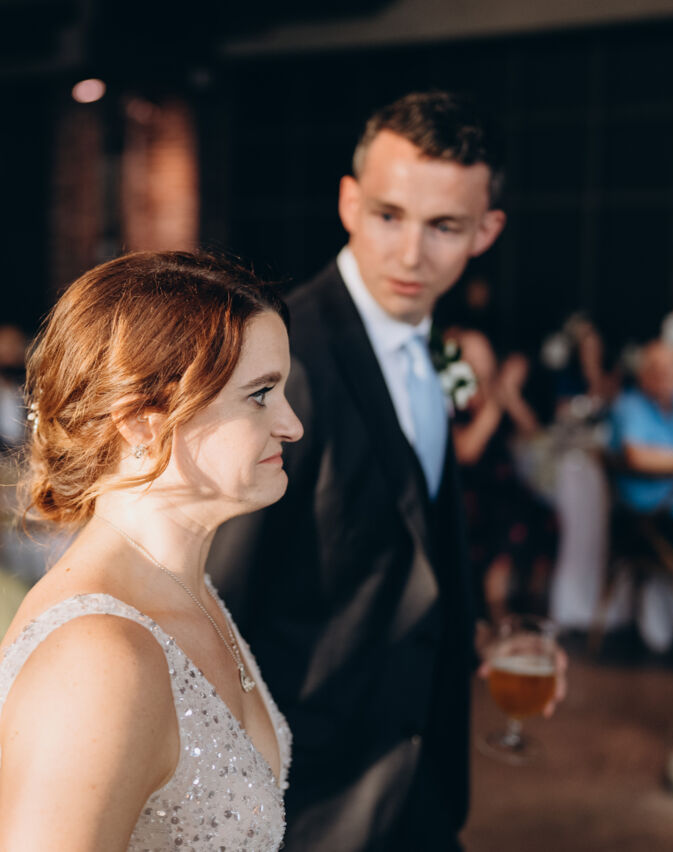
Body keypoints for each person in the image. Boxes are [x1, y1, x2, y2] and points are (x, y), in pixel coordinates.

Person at [209, 92, 560, 851]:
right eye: (389, 215)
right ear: (348, 202)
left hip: (422, 783)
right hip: (311, 802)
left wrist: (478, 639)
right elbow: (218, 600)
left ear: (486, 232)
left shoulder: (434, 350)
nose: (410, 255)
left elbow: (408, 550)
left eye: (444, 227)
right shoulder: (285, 360)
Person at [0, 251, 302, 851]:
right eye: (260, 395)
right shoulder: (96, 659)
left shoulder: (186, 588)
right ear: (143, 421)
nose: (292, 424)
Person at [449, 329, 557, 623]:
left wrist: (510, 395)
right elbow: (467, 451)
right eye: (470, 355)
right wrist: (496, 401)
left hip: (505, 482)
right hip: (470, 484)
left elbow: (533, 433)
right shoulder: (454, 395)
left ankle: (532, 606)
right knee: (505, 518)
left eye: (482, 355)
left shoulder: (496, 393)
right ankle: (496, 610)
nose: (477, 362)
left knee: (544, 516)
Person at [608, 339, 673, 653]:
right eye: (657, 369)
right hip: (645, 523)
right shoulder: (630, 406)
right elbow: (637, 456)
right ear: (643, 374)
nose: (666, 375)